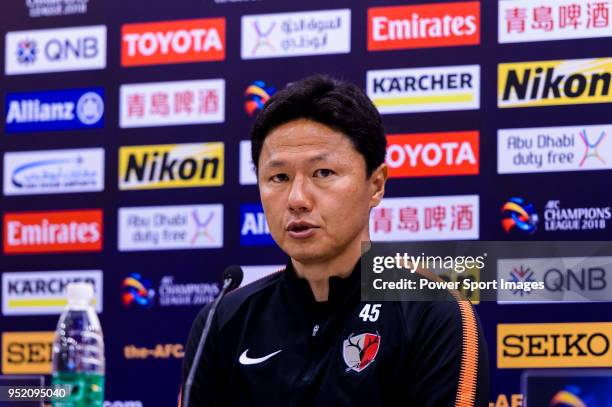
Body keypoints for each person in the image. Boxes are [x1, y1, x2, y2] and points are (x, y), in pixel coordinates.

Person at [181, 74, 489, 406]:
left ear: (376, 184)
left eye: (323, 173)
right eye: (279, 177)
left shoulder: (430, 312)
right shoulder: (223, 320)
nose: (297, 198)